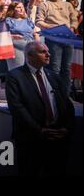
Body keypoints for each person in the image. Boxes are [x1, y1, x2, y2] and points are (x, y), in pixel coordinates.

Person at [5, 41, 75, 176]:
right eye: (43, 52)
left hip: (57, 140)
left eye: (48, 51)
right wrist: (40, 130)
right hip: (31, 140)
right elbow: (17, 108)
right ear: (29, 56)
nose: (48, 55)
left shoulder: (53, 76)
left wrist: (66, 128)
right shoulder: (14, 76)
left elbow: (66, 105)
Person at [36, 0, 78, 91]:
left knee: (67, 68)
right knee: (55, 68)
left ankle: (65, 95)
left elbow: (74, 20)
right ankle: (54, 93)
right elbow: (39, 22)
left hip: (67, 38)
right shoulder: (44, 5)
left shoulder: (67, 5)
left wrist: (72, 28)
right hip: (53, 39)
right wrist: (53, 28)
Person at [5, 2, 38, 70]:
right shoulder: (9, 20)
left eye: (22, 7)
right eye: (18, 7)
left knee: (32, 70)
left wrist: (38, 46)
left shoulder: (28, 20)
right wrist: (13, 36)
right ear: (13, 9)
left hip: (30, 47)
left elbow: (35, 33)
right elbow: (3, 35)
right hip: (16, 48)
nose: (21, 9)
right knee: (18, 70)